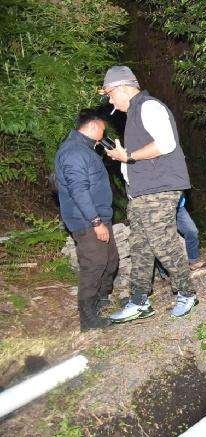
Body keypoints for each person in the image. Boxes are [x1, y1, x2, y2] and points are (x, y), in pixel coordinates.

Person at [101, 65, 197, 321]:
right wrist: (127, 168)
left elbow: (166, 143)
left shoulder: (149, 106)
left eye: (110, 94)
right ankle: (139, 301)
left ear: (123, 88)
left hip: (160, 189)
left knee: (162, 242)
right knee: (140, 247)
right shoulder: (134, 113)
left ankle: (187, 293)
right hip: (142, 192)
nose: (110, 101)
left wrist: (128, 156)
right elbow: (134, 159)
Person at [54, 109, 119, 330]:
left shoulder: (85, 149)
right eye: (103, 129)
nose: (104, 133)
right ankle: (88, 319)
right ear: (93, 126)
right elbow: (78, 190)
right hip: (86, 220)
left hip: (99, 217)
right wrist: (95, 222)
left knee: (111, 261)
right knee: (94, 265)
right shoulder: (74, 152)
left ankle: (100, 300)